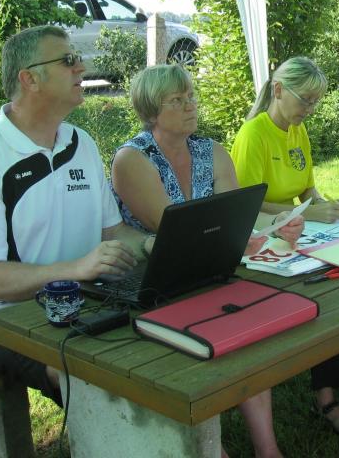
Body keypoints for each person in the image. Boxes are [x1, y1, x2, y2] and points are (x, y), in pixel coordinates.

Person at [0, 25, 146, 407]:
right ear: (30, 79)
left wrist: (159, 244)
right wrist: (75, 269)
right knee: (89, 378)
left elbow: (114, 232)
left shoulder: (81, 144)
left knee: (160, 344)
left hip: (83, 296)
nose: (81, 67)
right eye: (68, 60)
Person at [111, 64, 304, 458]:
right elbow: (174, 232)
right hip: (152, 283)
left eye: (191, 97)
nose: (190, 106)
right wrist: (235, 240)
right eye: (176, 100)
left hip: (208, 273)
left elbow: (235, 216)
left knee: (248, 332)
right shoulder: (132, 159)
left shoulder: (211, 151)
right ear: (151, 112)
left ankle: (268, 449)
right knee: (210, 341)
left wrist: (276, 225)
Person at [230, 56, 339, 436]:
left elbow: (307, 189)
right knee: (319, 295)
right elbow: (248, 203)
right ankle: (328, 391)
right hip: (264, 241)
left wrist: (328, 206)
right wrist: (309, 212)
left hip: (299, 233)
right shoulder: (253, 135)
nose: (310, 110)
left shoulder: (297, 130)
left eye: (316, 102)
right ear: (278, 90)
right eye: (306, 100)